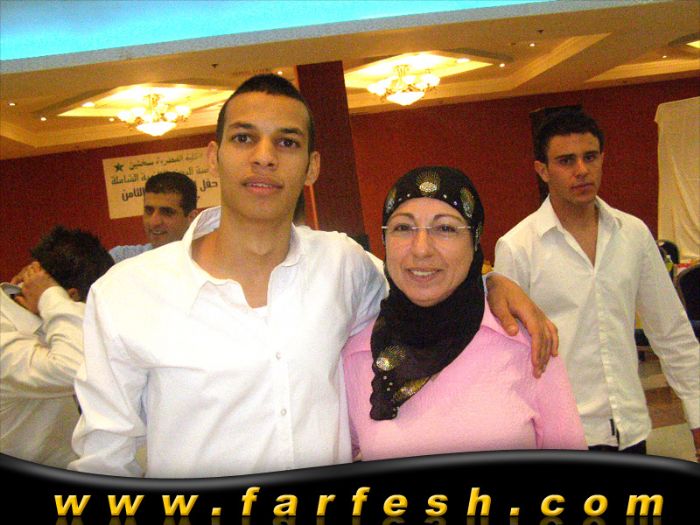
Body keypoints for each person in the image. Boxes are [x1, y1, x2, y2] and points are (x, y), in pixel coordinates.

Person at [70, 74, 557, 478]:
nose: (264, 156)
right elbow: (104, 459)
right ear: (212, 157)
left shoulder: (341, 265)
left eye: (287, 142)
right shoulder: (126, 294)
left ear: (312, 167)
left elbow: (424, 283)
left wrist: (492, 283)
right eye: (244, 138)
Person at [494, 109, 700, 460]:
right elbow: (507, 356)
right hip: (561, 435)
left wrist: (696, 410)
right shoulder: (517, 247)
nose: (581, 170)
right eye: (566, 161)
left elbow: (671, 330)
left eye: (589, 157)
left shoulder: (632, 233)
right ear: (542, 170)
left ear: (602, 159)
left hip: (630, 427)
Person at [342, 167, 586, 460]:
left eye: (445, 228)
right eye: (403, 228)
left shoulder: (526, 344)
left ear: (475, 240)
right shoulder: (356, 358)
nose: (421, 249)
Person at [1, 226, 113, 468]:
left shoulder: (45, 319)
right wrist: (50, 297)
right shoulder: (5, 331)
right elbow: (76, 368)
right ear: (71, 298)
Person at [109, 171, 198, 262]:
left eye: (167, 212)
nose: (154, 222)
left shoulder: (204, 263)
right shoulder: (121, 258)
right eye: (149, 211)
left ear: (191, 218)